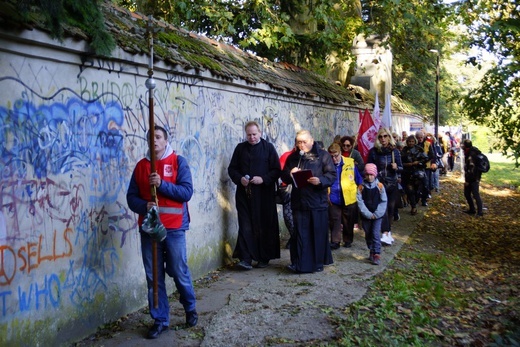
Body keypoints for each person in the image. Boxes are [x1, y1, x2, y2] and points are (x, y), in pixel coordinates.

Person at [126, 125, 198, 340]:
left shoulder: (178, 162)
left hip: (175, 226)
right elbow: (131, 198)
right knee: (153, 276)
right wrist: (143, 206)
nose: (154, 141)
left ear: (166, 141)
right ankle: (160, 319)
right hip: (150, 229)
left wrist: (162, 184)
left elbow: (186, 192)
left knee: (178, 270)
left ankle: (190, 307)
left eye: (158, 137)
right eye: (151, 138)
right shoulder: (141, 166)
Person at [228, 121, 281, 270]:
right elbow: (232, 169)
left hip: (264, 194)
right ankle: (246, 258)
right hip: (245, 194)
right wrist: (240, 179)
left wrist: (263, 179)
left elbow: (276, 170)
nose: (251, 137)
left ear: (260, 133)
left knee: (264, 225)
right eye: (249, 135)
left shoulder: (268, 148)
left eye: (254, 134)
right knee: (245, 225)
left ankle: (264, 257)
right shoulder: (240, 148)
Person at [281, 130, 336, 273]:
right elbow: (284, 176)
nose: (301, 145)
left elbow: (331, 175)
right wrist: (290, 174)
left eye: (304, 142)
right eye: (299, 142)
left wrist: (320, 180)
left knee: (316, 233)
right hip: (299, 201)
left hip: (317, 201)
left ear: (311, 141)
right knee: (299, 233)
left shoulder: (323, 156)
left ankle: (317, 263)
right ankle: (298, 263)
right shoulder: (293, 157)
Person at [367, 127, 403, 246]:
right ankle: (385, 232)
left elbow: (401, 168)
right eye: (380, 137)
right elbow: (369, 167)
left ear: (389, 137)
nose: (383, 139)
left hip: (392, 183)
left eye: (385, 136)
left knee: (391, 208)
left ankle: (388, 231)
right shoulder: (374, 151)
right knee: (383, 208)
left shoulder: (395, 151)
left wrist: (396, 167)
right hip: (379, 184)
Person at [327, 143, 363, 249]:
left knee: (348, 221)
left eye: (336, 155)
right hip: (333, 197)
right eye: (331, 156)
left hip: (349, 197)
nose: (334, 159)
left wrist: (359, 190)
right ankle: (335, 241)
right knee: (334, 220)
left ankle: (348, 240)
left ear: (340, 153)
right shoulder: (327, 165)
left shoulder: (350, 163)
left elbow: (359, 179)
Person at [357, 163, 388, 265]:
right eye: (367, 175)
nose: (369, 177)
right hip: (366, 215)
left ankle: (376, 253)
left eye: (371, 175)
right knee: (368, 234)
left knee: (375, 233)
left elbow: (383, 201)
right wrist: (367, 214)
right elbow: (359, 202)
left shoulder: (380, 186)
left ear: (375, 175)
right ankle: (371, 249)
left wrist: (377, 214)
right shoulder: (361, 187)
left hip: (377, 215)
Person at [400, 135, 429, 215]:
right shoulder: (404, 150)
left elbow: (426, 159)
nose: (411, 143)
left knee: (420, 189)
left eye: (412, 141)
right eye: (409, 141)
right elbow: (400, 162)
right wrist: (406, 164)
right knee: (410, 190)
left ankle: (417, 201)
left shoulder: (419, 149)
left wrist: (418, 162)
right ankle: (413, 207)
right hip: (408, 173)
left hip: (418, 173)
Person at [278, 141, 297, 249]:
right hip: (287, 189)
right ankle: (294, 237)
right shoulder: (287, 156)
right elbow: (280, 171)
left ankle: (296, 239)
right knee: (288, 216)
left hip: (302, 191)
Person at [462, 139, 484, 217]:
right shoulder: (472, 152)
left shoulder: (471, 155)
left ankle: (480, 212)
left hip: (473, 178)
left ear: (465, 146)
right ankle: (472, 209)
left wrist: (467, 180)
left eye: (463, 145)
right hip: (475, 176)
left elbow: (471, 169)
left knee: (475, 194)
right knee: (467, 193)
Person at [415, 130, 437, 205]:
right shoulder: (414, 144)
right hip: (416, 166)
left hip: (426, 167)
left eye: (421, 137)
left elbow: (432, 155)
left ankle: (424, 199)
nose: (420, 139)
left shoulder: (428, 143)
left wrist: (425, 160)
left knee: (426, 184)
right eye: (418, 138)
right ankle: (417, 198)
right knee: (417, 183)